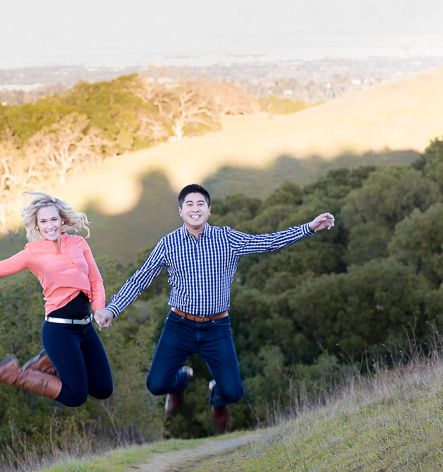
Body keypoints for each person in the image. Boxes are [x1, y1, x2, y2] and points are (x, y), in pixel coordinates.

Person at [94, 184, 334, 432]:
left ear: (209, 210)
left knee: (233, 392)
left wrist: (309, 228)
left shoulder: (227, 239)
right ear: (180, 211)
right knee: (156, 385)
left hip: (217, 327)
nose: (195, 209)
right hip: (180, 325)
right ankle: (180, 381)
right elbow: (140, 279)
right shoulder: (168, 244)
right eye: (189, 204)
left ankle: (216, 395)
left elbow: (267, 242)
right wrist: (112, 309)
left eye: (200, 204)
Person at [0, 192, 113, 407]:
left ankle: (46, 363)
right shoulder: (32, 253)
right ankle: (13, 374)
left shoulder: (78, 243)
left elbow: (96, 280)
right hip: (59, 331)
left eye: (54, 219)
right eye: (43, 221)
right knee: (76, 397)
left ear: (62, 219)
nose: (50, 226)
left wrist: (99, 309)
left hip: (86, 328)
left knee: (103, 389)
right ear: (36, 225)